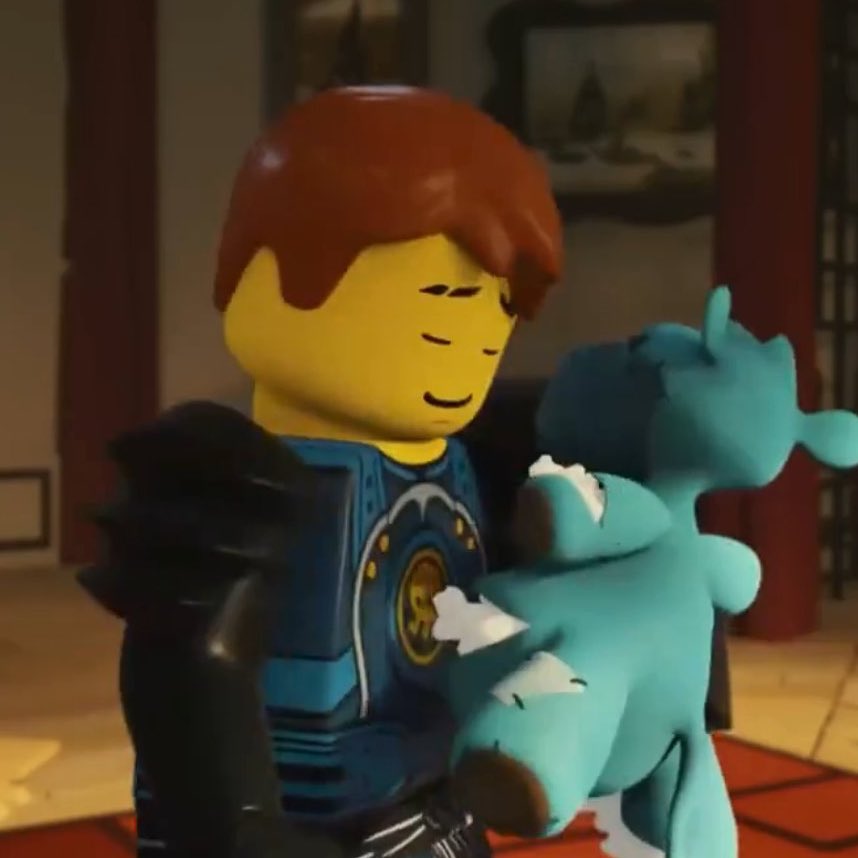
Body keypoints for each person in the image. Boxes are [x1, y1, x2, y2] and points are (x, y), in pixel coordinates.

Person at [80, 85, 563, 858]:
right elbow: (189, 677)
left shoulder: (468, 464)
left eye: (498, 308)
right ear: (264, 276)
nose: (474, 338)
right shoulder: (236, 486)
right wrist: (240, 825)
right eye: (441, 296)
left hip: (431, 794)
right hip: (297, 818)